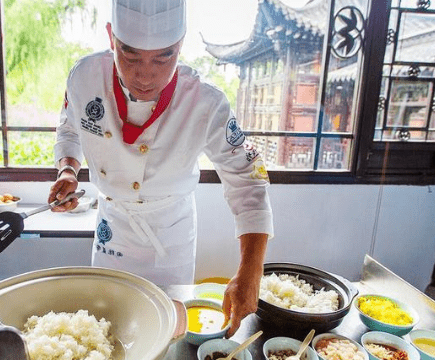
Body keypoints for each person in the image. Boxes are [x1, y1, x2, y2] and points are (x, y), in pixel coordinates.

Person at [48, 0, 273, 337]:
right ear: (112, 38)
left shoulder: (205, 102)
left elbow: (248, 179)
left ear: (180, 45)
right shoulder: (84, 78)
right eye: (130, 54)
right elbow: (69, 127)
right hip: (113, 227)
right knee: (106, 327)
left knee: (168, 331)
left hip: (171, 235)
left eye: (164, 56)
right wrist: (68, 169)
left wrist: (251, 270)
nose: (145, 74)